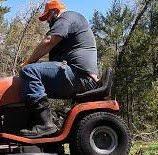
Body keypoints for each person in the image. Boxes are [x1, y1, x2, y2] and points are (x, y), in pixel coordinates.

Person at [19, 0, 99, 138]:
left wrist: (29, 61)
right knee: (28, 85)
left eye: (48, 16)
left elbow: (49, 40)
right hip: (78, 74)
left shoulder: (67, 17)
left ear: (55, 11)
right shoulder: (72, 20)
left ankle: (45, 125)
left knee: (29, 71)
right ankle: (31, 122)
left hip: (80, 75)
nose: (47, 21)